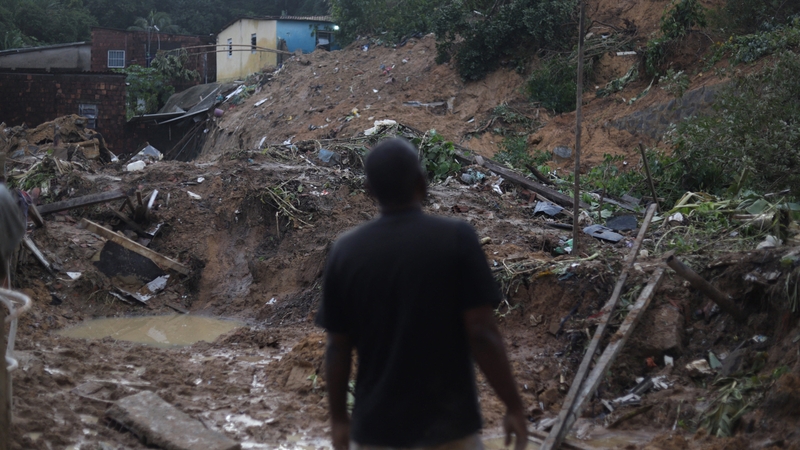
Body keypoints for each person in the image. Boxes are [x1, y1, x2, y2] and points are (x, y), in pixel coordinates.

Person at [316, 138, 527, 450]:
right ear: (421, 181)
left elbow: (338, 348)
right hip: (450, 429)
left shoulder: (346, 252)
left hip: (378, 431)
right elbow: (481, 333)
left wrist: (338, 421)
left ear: (370, 191)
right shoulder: (456, 239)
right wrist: (513, 405)